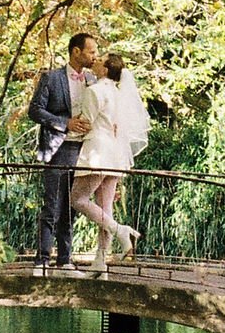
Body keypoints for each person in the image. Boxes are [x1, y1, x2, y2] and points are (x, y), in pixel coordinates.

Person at [25, 30, 98, 270]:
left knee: (71, 205)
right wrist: (64, 123)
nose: (94, 56)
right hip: (58, 148)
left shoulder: (93, 80)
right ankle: (42, 259)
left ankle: (65, 259)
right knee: (52, 205)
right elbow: (35, 110)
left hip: (84, 150)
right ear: (76, 52)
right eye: (91, 51)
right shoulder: (51, 78)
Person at [71, 49, 150, 260]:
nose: (95, 61)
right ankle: (101, 263)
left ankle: (121, 231)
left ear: (105, 69)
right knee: (105, 210)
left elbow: (85, 124)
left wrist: (66, 130)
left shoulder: (95, 91)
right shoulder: (119, 93)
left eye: (100, 60)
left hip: (97, 152)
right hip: (116, 155)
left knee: (77, 199)